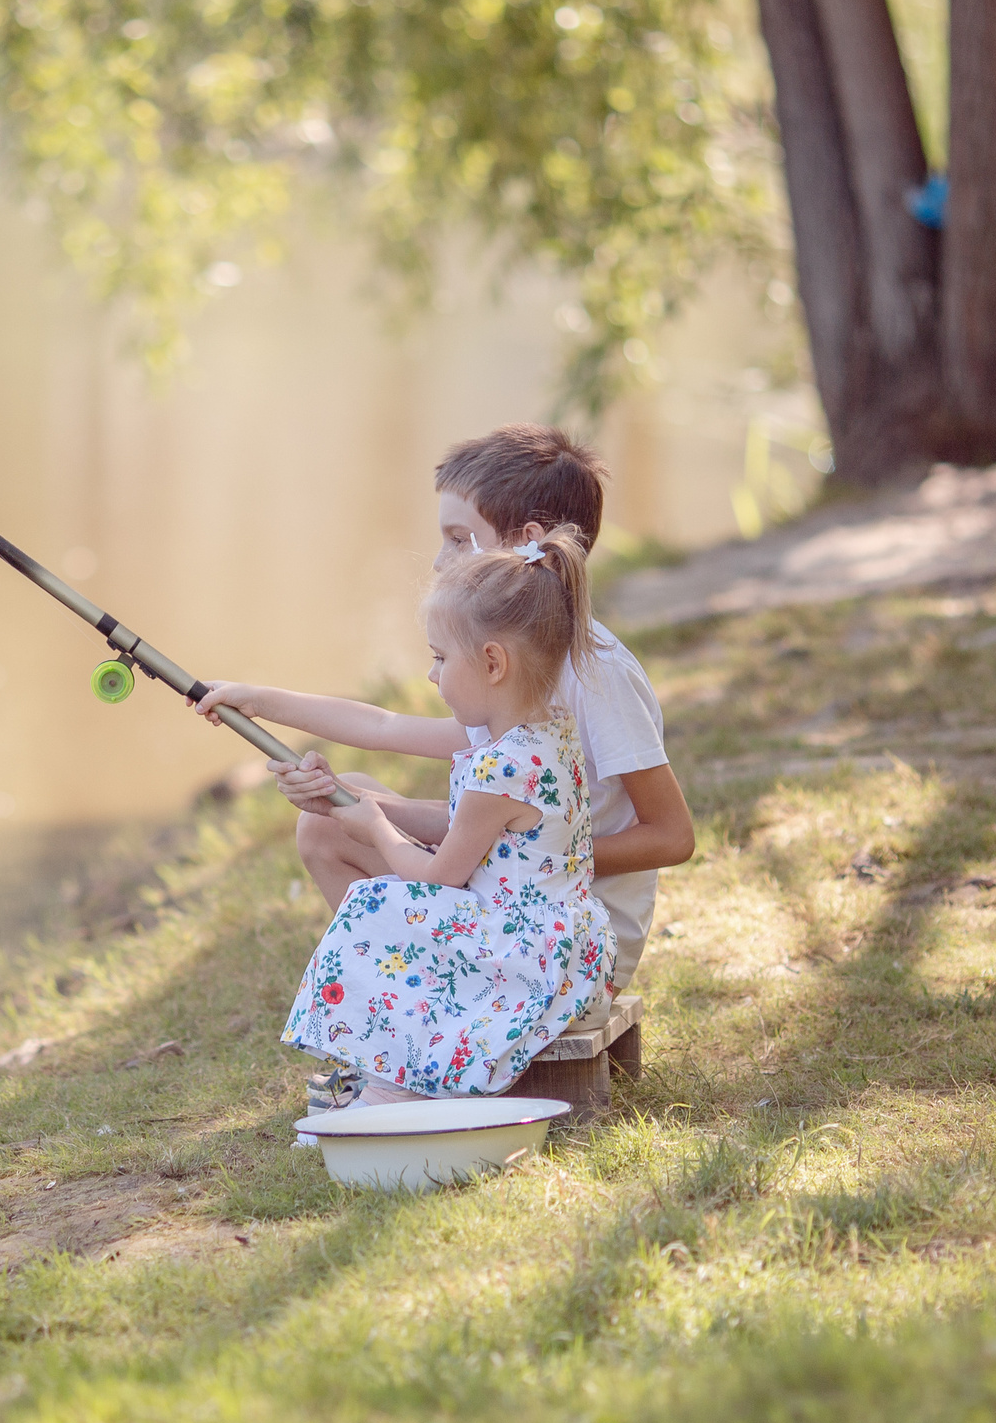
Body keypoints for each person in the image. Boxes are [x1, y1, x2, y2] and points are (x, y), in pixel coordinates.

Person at [193, 425, 692, 1010]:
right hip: (512, 898)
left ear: (526, 540)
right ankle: (411, 1011)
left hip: (567, 939)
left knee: (350, 811)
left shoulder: (594, 673)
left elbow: (673, 836)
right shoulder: (511, 672)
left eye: (459, 538)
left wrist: (531, 855)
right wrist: (258, 703)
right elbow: (384, 728)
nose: (438, 560)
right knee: (332, 815)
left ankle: (418, 1017)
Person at [276, 525, 608, 1098]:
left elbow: (436, 876)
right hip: (567, 946)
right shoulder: (549, 733)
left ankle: (397, 1078)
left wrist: (375, 827)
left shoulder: (498, 768)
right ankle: (397, 1061)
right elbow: (473, 839)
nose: (431, 675)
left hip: (524, 961)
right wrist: (346, 798)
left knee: (380, 903)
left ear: (493, 662)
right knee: (398, 905)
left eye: (439, 658)